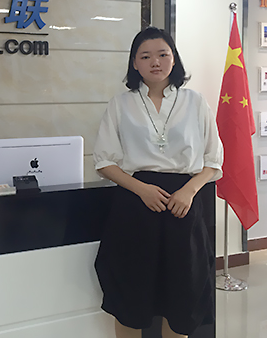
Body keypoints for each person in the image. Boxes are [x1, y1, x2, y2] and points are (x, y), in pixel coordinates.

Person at [93, 27, 223, 338]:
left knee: (182, 295)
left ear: (174, 59)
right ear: (134, 63)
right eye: (146, 56)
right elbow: (104, 161)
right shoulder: (120, 104)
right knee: (130, 293)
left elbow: (214, 160)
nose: (155, 62)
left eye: (163, 54)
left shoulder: (195, 101)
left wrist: (189, 191)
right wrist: (142, 190)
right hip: (136, 205)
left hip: (183, 207)